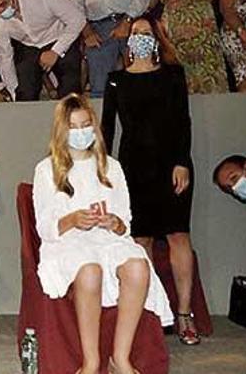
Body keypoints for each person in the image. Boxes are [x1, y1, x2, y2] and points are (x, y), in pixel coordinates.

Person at [33, 93, 173, 374]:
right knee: (90, 271)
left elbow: (126, 224)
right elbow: (44, 227)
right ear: (62, 131)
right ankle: (91, 361)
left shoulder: (112, 167)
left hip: (107, 239)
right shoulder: (46, 169)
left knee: (137, 266)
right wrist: (72, 219)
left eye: (86, 125)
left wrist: (113, 222)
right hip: (67, 242)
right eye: (73, 127)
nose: (81, 132)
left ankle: (120, 357)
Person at [101, 17, 200, 345]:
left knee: (177, 236)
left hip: (172, 167)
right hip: (133, 170)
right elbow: (107, 131)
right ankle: (149, 314)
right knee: (139, 241)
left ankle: (185, 315)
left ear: (157, 39)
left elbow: (182, 122)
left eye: (145, 33)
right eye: (134, 33)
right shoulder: (116, 81)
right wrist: (103, 173)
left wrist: (182, 162)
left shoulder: (173, 76)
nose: (139, 37)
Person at [0, 0, 85, 102]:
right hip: (30, 48)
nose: (0, 11)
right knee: (25, 91)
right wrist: (13, 92)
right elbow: (5, 57)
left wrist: (56, 51)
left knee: (70, 88)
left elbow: (77, 19)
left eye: (3, 5)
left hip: (60, 38)